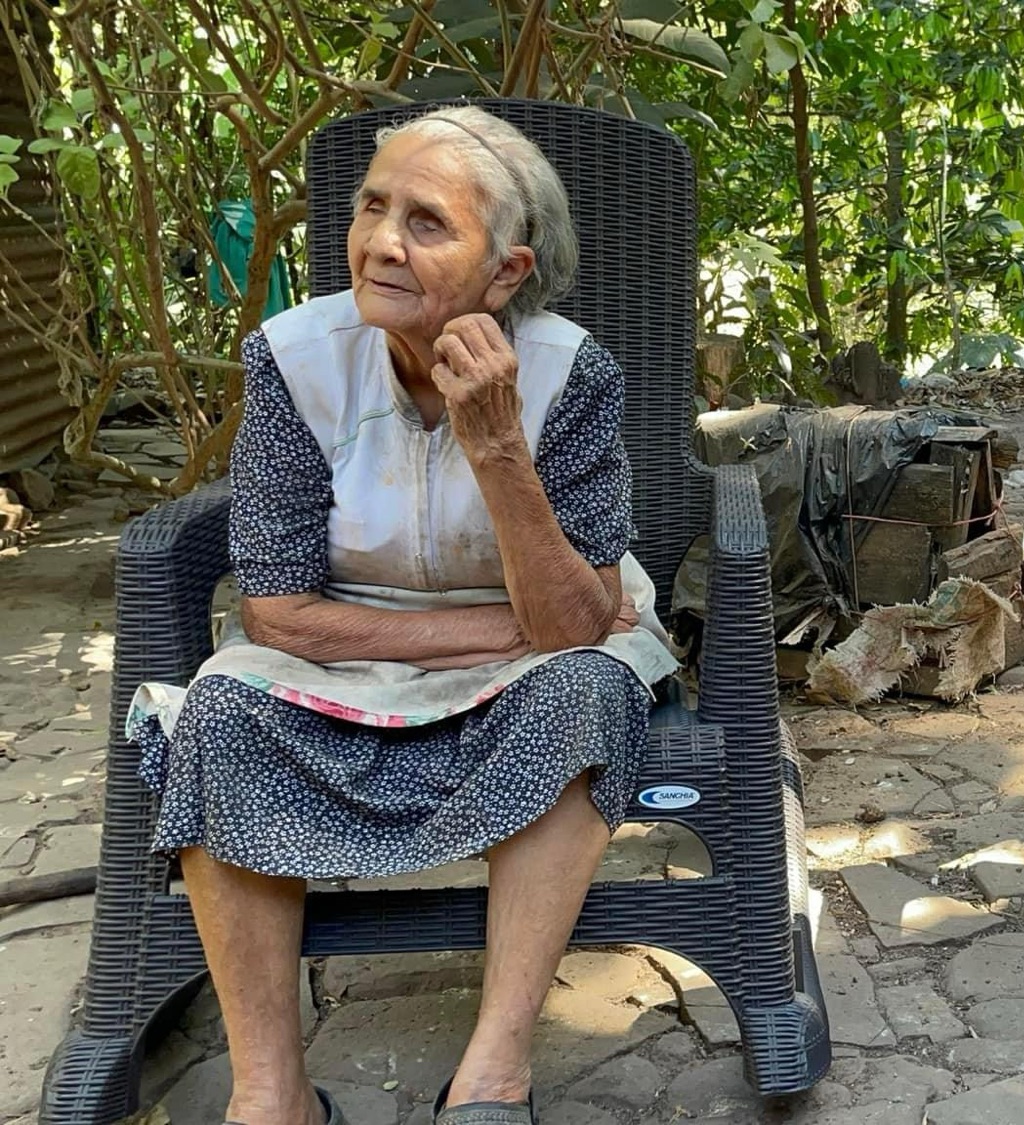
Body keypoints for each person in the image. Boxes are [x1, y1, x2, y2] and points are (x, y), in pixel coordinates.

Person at [128, 106, 678, 1125]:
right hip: (346, 639)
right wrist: (487, 636)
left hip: (542, 646)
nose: (381, 241)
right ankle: (271, 1095)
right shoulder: (295, 359)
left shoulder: (570, 374)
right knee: (218, 713)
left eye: (426, 223)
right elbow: (277, 613)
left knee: (585, 693)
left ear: (504, 273)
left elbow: (574, 627)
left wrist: (498, 445)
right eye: (371, 208)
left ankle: (492, 1077)